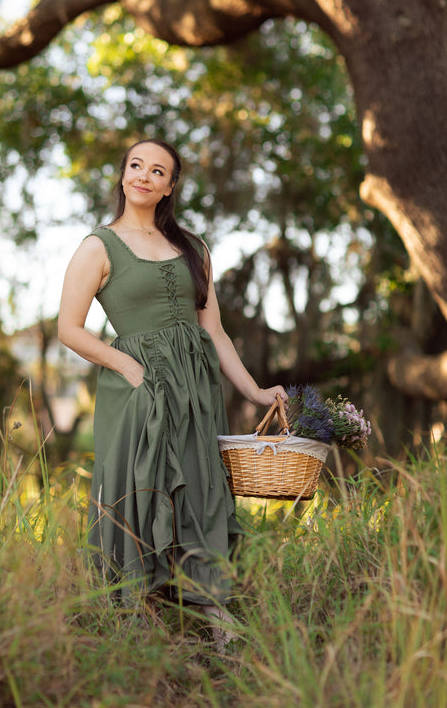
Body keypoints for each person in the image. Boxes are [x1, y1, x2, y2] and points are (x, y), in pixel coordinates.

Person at [58, 139, 288, 646]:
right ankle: (132, 613)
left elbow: (215, 332)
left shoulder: (193, 248)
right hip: (136, 389)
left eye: (157, 170)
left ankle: (215, 613)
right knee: (139, 487)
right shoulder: (97, 246)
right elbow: (69, 329)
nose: (144, 175)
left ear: (170, 186)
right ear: (122, 176)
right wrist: (130, 368)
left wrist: (253, 390)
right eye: (136, 166)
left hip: (196, 390)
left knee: (201, 489)